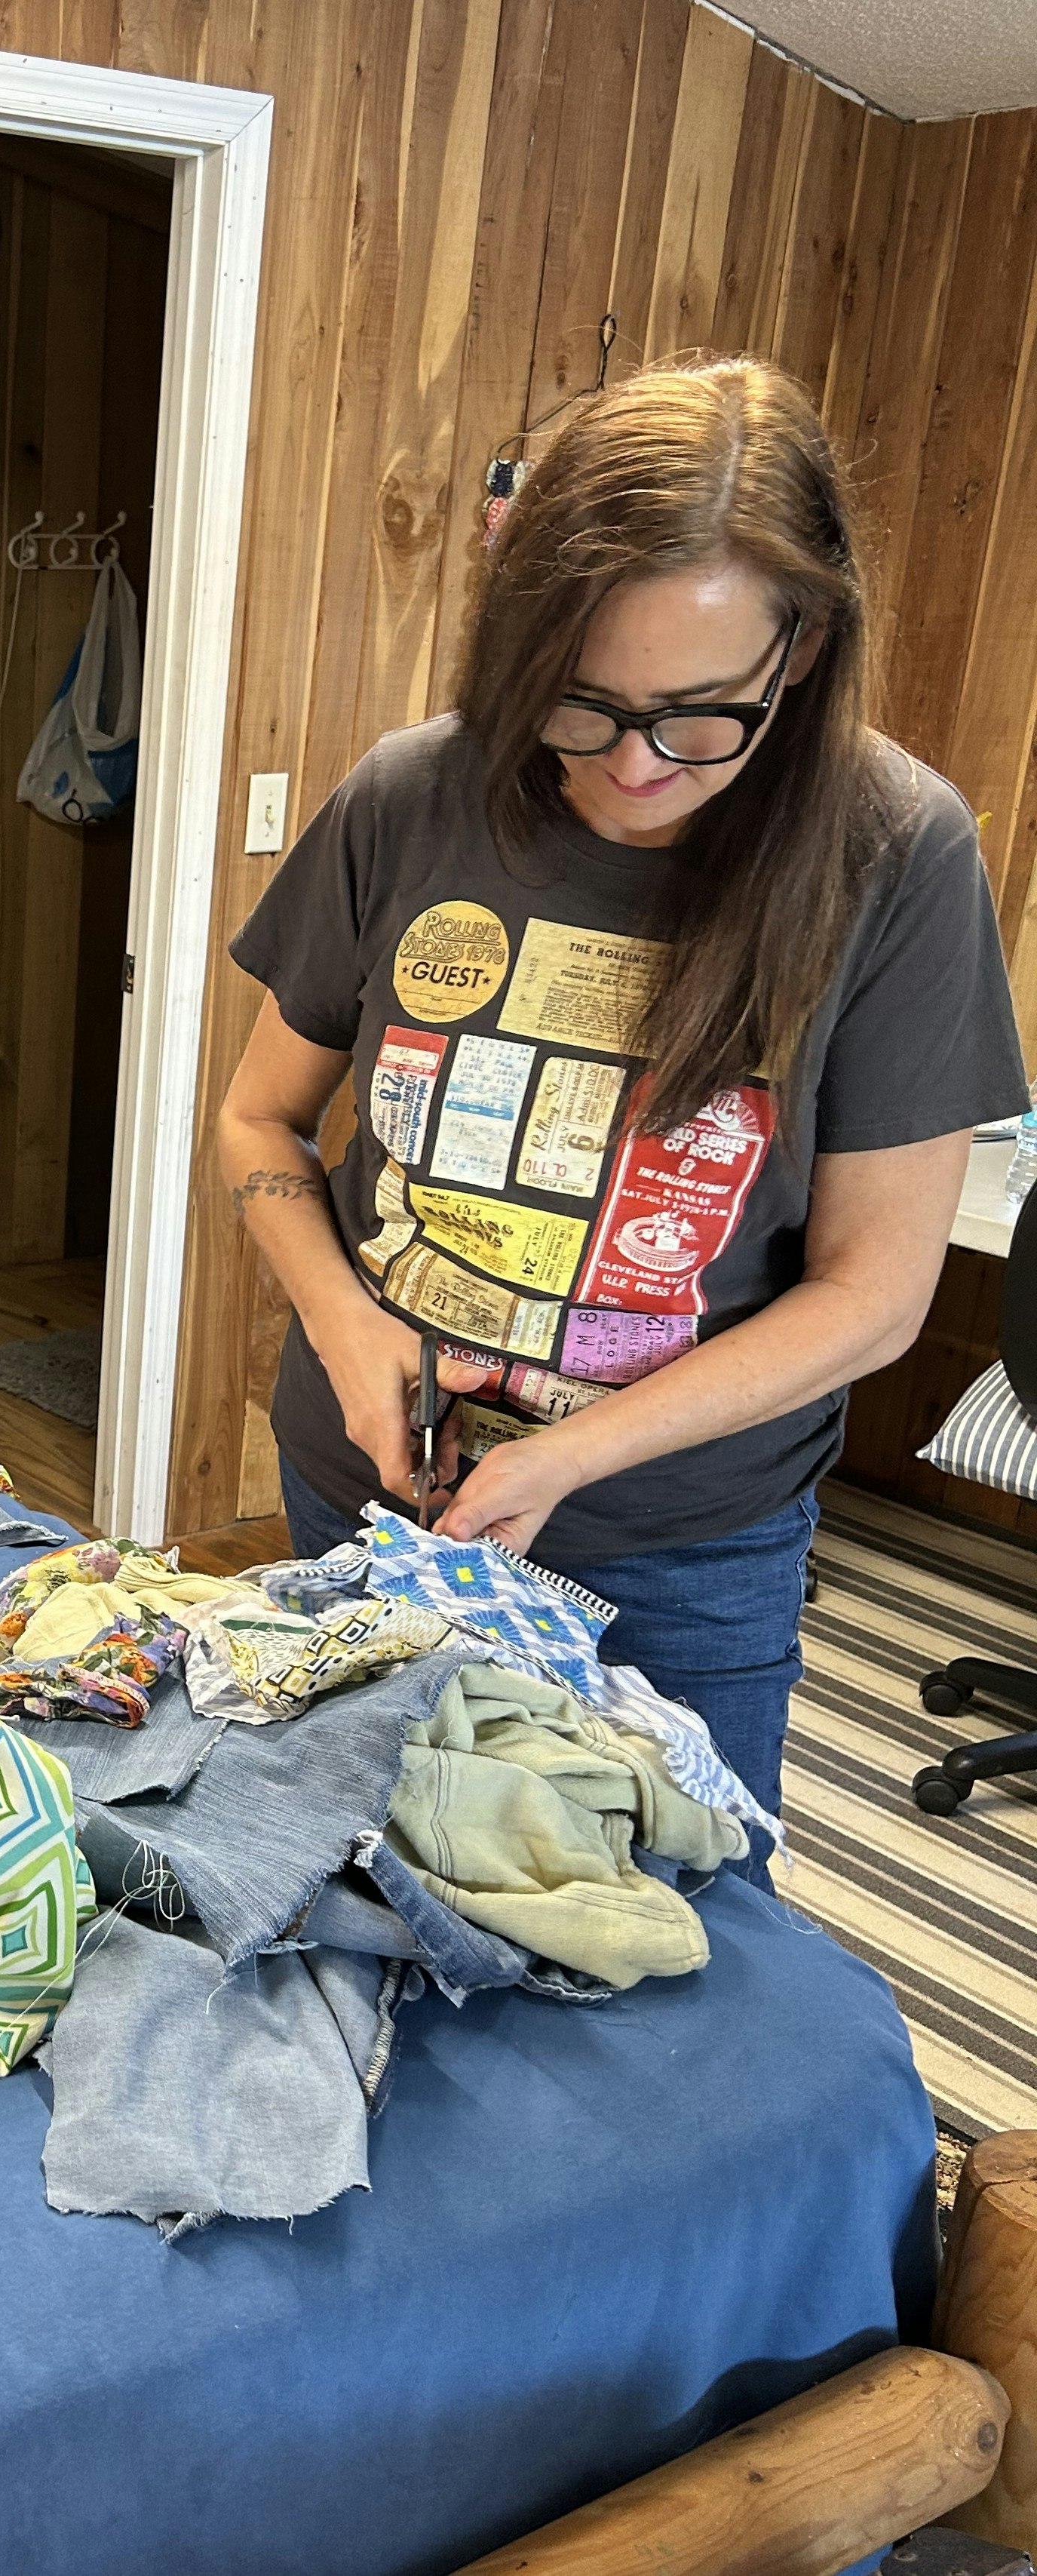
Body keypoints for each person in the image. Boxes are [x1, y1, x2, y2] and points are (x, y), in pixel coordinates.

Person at [216, 356, 1028, 1864]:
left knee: (676, 1933)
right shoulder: (412, 795)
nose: (636, 767)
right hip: (367, 1494)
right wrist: (344, 1324)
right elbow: (261, 1123)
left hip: (679, 1555)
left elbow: (875, 1295)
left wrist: (569, 1457)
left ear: (804, 649)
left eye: (702, 718)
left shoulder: (895, 851)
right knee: (349, 1885)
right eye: (579, 705)